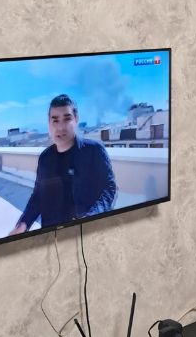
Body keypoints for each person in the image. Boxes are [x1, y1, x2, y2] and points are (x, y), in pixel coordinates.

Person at [9, 94, 117, 234]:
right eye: (55, 120)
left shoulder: (94, 151)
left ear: (76, 119)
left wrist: (91, 217)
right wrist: (23, 224)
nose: (60, 127)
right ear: (49, 124)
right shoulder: (45, 159)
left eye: (67, 119)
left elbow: (109, 188)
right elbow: (39, 196)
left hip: (86, 233)